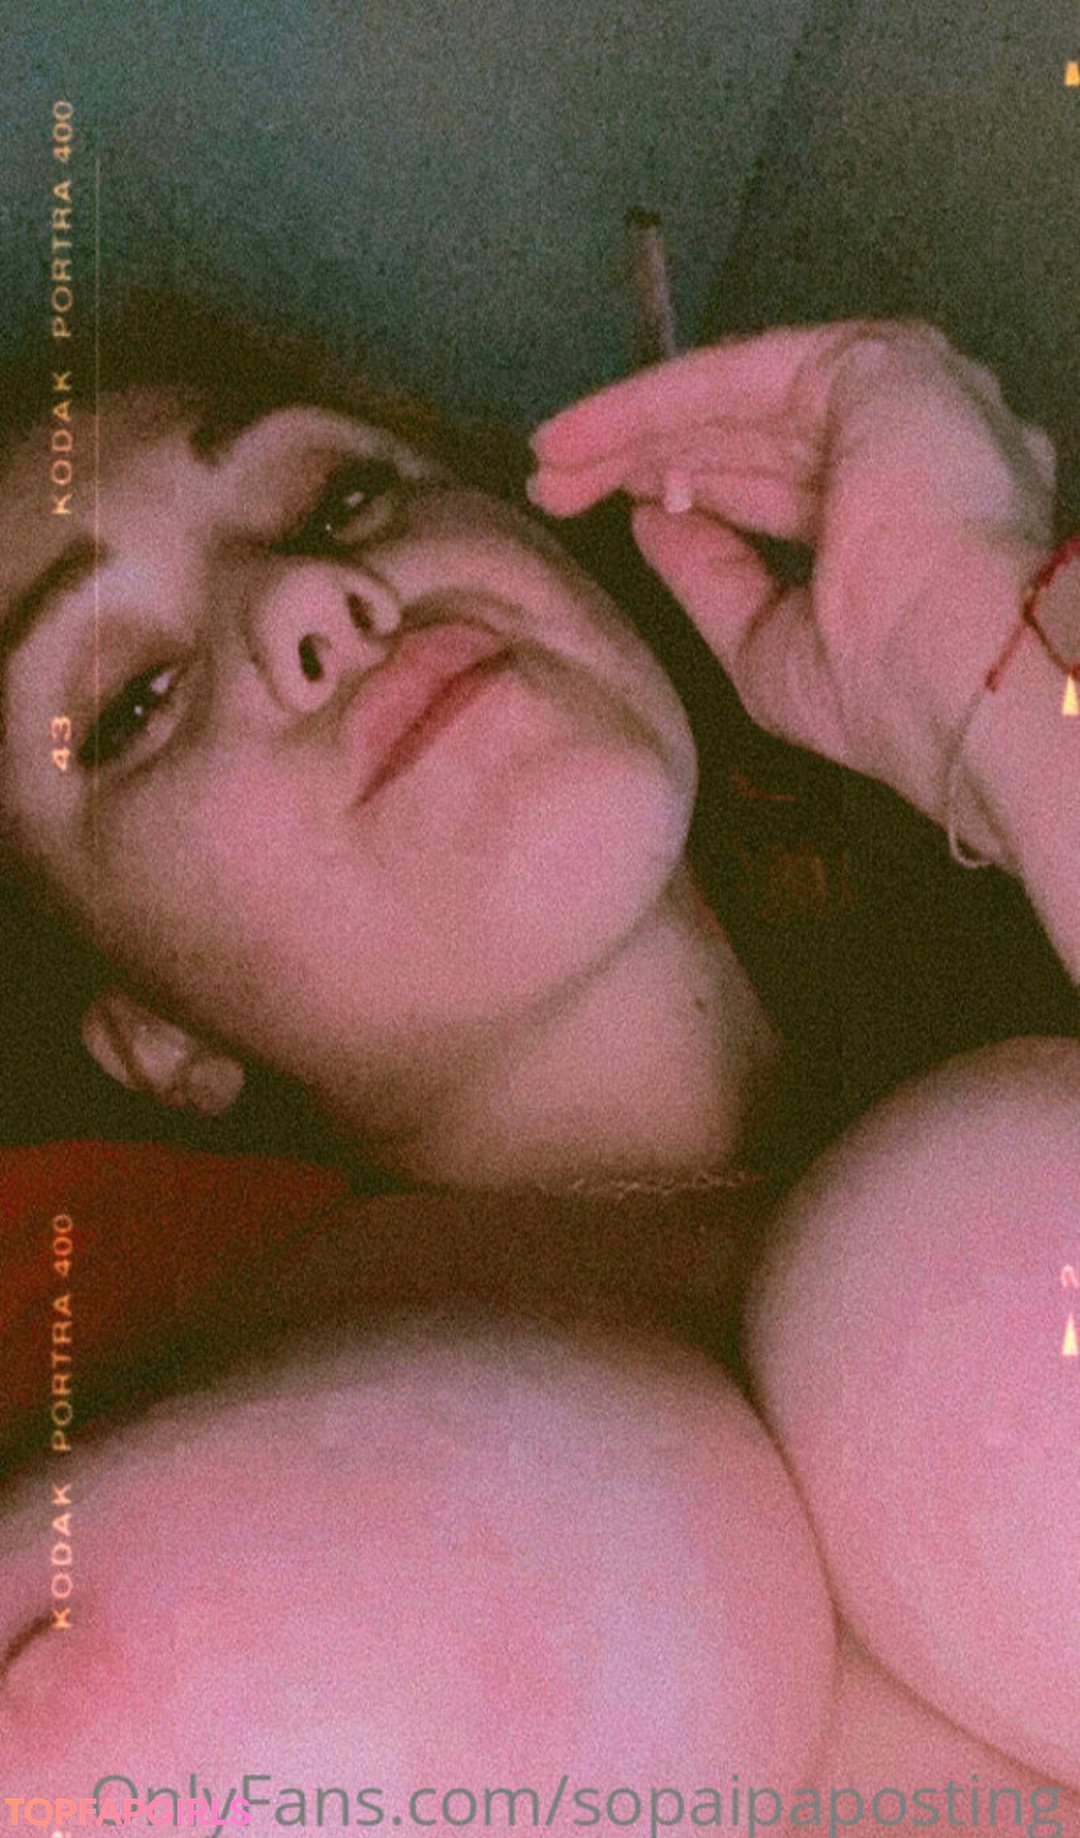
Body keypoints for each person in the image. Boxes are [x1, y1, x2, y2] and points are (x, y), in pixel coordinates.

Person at [0, 317, 1078, 1815]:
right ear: (159, 1039)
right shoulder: (127, 1406)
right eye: (132, 700)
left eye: (341, 499)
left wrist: (982, 664)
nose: (311, 591)